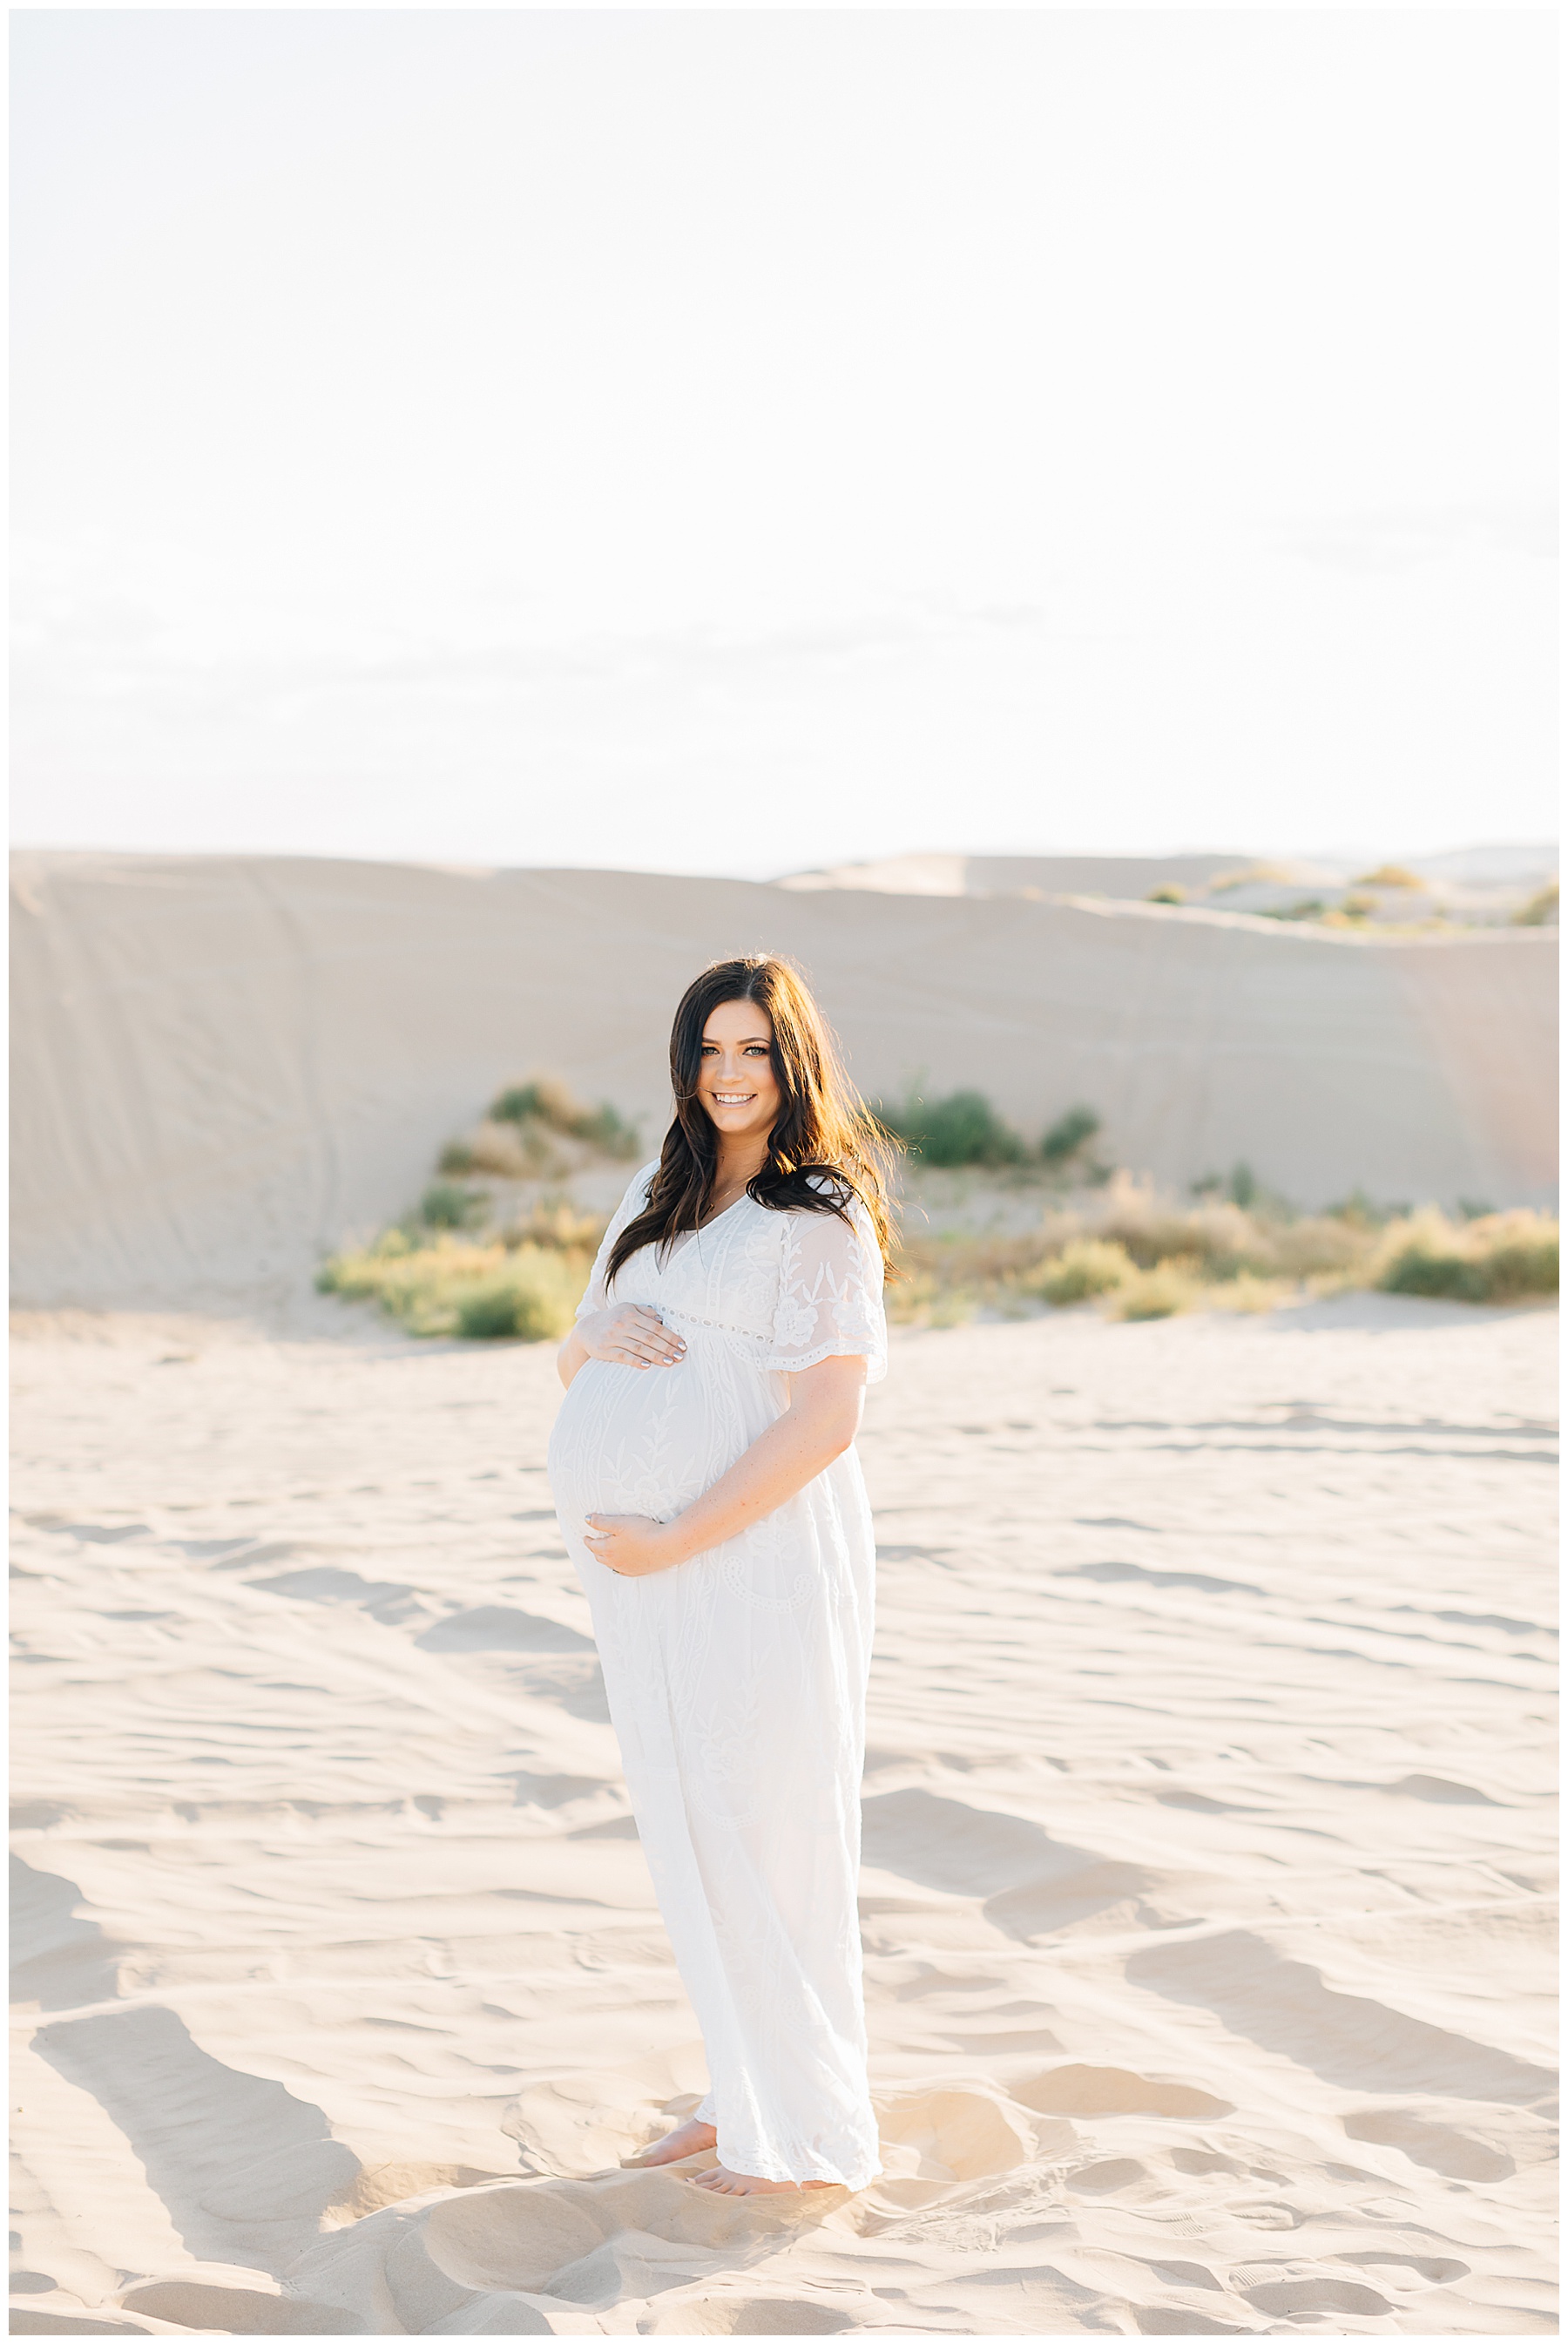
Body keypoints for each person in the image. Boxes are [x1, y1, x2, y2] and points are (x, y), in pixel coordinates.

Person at [547, 954, 895, 2196]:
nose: (731, 1074)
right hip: (648, 1576)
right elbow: (572, 1357)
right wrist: (590, 1336)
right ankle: (737, 2084)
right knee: (692, 1820)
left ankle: (803, 2122)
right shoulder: (659, 1193)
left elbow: (827, 1419)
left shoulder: (819, 1213)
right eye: (710, 1050)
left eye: (753, 1050)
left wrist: (681, 1532)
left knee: (771, 1819)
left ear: (788, 1062)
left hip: (751, 1557)